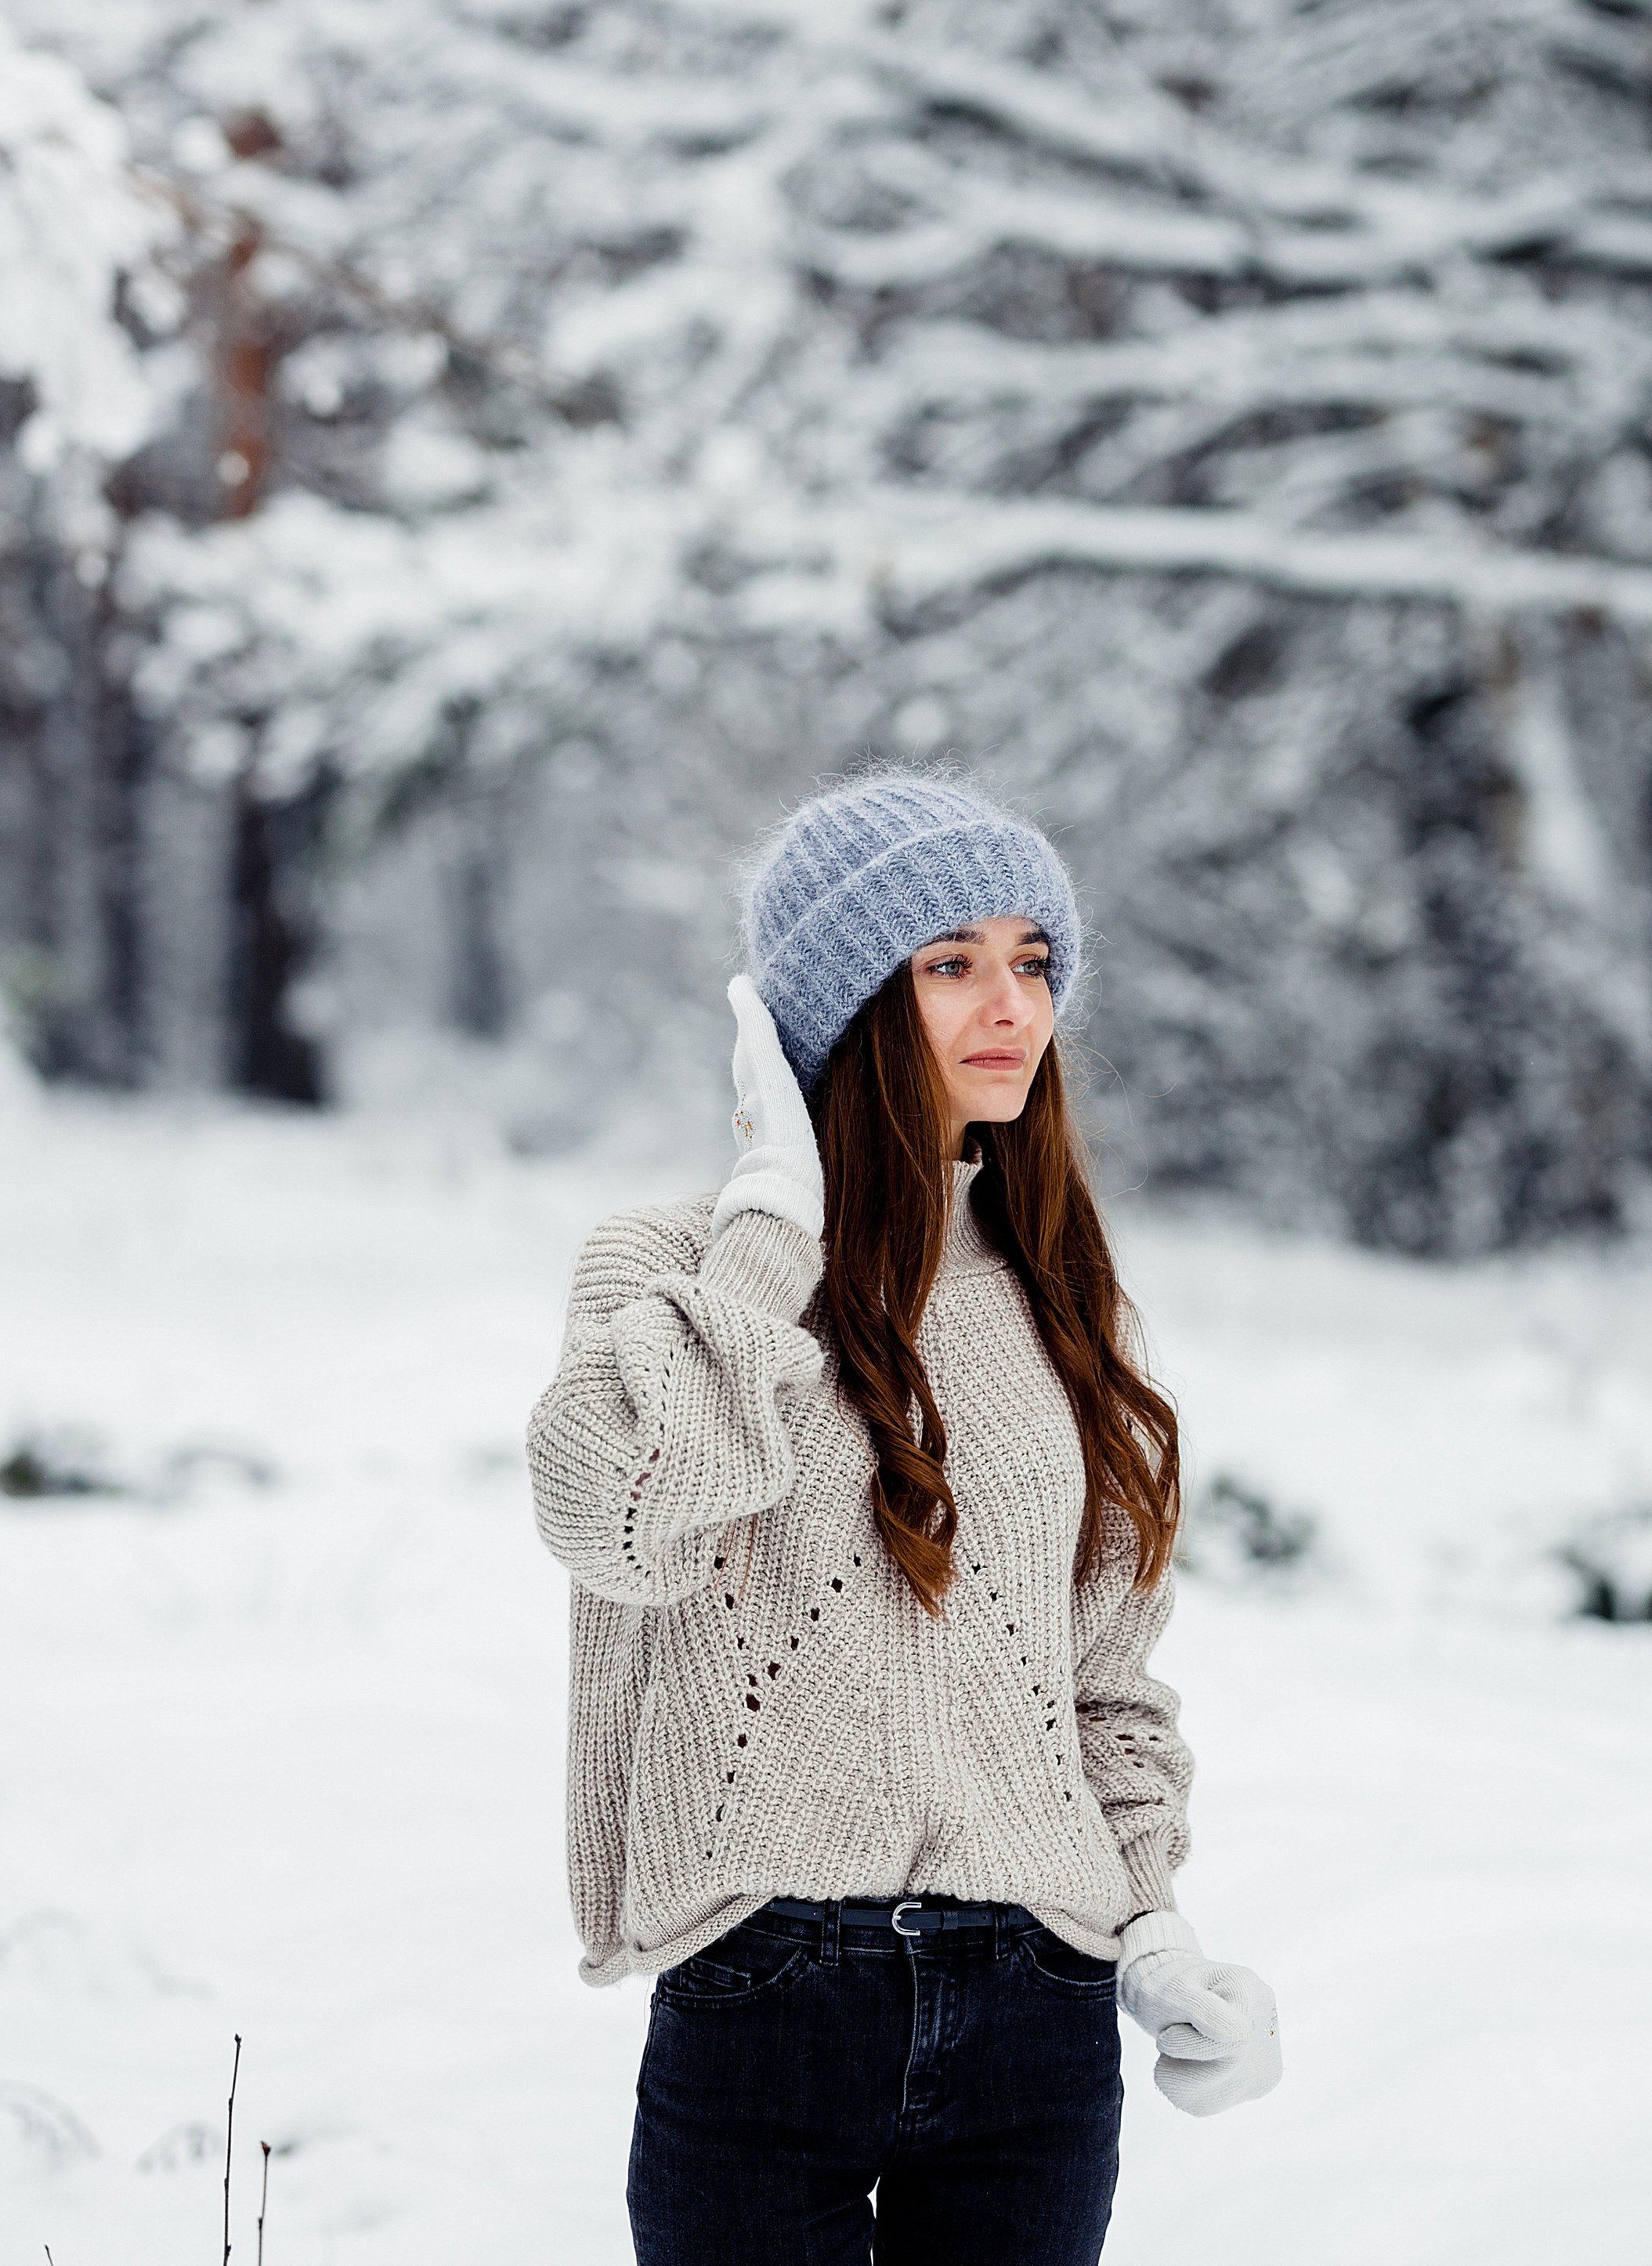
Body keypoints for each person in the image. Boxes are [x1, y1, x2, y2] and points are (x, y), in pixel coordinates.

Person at [526, 768, 1280, 2264]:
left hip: (1039, 2006)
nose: (1012, 1005)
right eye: (951, 964)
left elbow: (1101, 1683)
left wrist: (1154, 1930)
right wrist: (771, 1222)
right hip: (767, 1989)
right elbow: (617, 1515)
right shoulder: (670, 1272)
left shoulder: (1067, 1301)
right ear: (843, 1007)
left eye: (1034, 961)